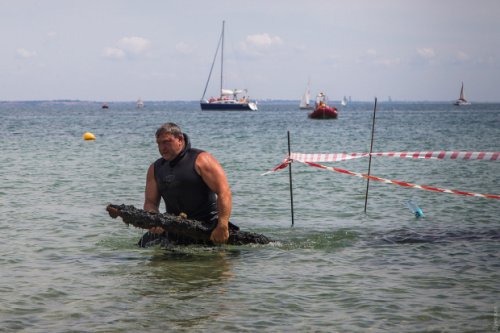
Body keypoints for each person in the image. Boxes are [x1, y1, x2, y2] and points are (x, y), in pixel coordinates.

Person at [140, 122, 233, 247]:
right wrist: (154, 219)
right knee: (141, 250)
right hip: (175, 227)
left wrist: (222, 225)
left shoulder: (201, 159)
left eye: (166, 142)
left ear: (180, 139)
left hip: (208, 227)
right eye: (159, 143)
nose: (162, 148)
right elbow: (150, 202)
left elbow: (224, 192)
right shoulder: (155, 168)